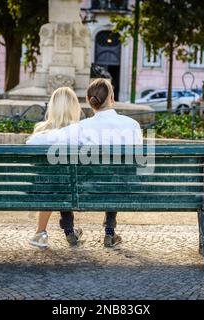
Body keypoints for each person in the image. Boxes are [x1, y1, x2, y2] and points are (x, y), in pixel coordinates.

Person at [59, 78, 143, 247]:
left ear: (89, 101)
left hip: (84, 191)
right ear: (111, 99)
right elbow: (137, 162)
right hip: (121, 189)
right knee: (116, 175)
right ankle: (109, 232)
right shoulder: (131, 125)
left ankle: (69, 230)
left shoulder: (79, 128)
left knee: (61, 176)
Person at [26, 87, 83, 248]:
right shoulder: (80, 132)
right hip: (75, 189)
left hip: (44, 189)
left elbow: (29, 152)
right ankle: (69, 231)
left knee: (51, 180)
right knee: (62, 180)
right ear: (74, 107)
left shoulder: (40, 133)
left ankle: (41, 232)